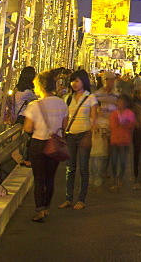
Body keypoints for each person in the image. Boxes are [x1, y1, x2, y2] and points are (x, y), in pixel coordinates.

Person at [23, 70, 70, 223]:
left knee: (39, 179)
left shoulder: (34, 105)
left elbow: (28, 128)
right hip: (54, 144)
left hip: (38, 143)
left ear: (40, 86)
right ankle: (47, 207)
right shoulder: (61, 103)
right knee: (50, 178)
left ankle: (39, 211)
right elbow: (64, 125)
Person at [59, 70, 98, 210]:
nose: (74, 84)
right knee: (70, 168)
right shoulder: (68, 98)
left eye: (77, 81)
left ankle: (81, 199)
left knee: (83, 168)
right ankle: (68, 198)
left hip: (83, 135)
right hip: (70, 135)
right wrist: (62, 132)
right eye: (72, 81)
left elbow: (94, 119)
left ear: (83, 82)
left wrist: (90, 135)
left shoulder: (90, 98)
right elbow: (64, 117)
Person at [91, 70, 118, 191]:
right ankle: (97, 176)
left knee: (109, 153)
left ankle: (104, 172)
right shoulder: (96, 95)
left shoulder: (117, 96)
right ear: (104, 81)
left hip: (112, 127)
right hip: (100, 126)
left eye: (113, 79)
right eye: (108, 79)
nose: (111, 82)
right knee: (99, 152)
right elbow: (92, 110)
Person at [109, 95, 135, 192]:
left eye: (123, 102)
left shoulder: (130, 113)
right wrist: (124, 124)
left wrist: (123, 124)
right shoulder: (114, 114)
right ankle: (115, 178)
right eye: (119, 101)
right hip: (114, 140)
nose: (121, 103)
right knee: (114, 161)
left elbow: (131, 125)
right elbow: (113, 126)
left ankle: (120, 179)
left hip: (125, 141)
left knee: (123, 162)